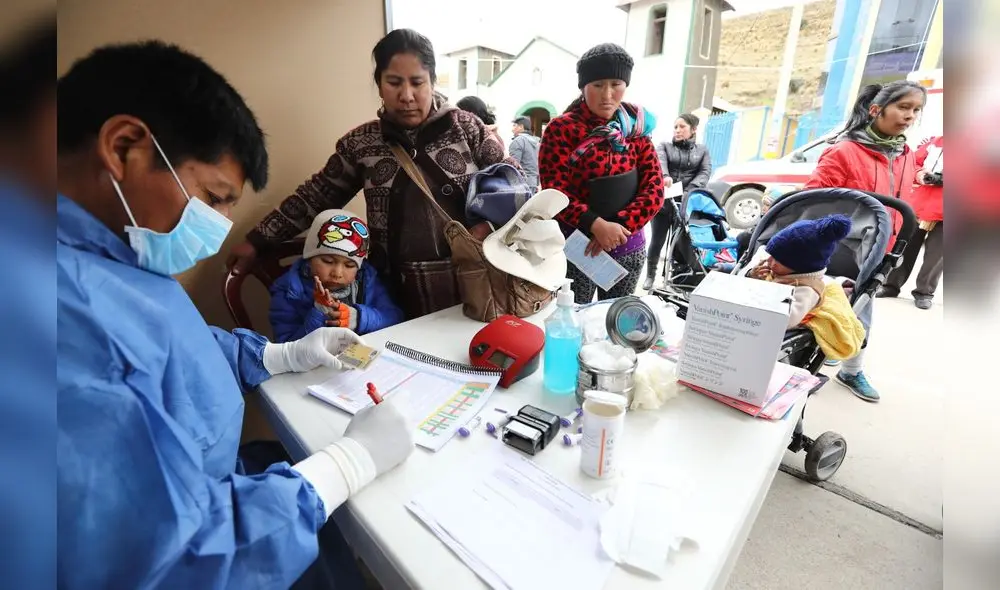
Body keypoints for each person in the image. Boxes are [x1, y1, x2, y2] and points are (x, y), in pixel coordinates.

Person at [56, 41, 415, 589]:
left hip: (234, 487)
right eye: (213, 196)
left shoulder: (114, 258)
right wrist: (345, 465)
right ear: (123, 146)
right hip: (222, 546)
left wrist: (277, 353)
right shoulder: (60, 316)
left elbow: (174, 345)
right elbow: (168, 562)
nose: (220, 223)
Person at [228, 29, 514, 319]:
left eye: (417, 83)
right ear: (379, 85)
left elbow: (511, 181)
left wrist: (487, 223)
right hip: (394, 295)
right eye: (393, 83)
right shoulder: (361, 144)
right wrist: (257, 240)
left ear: (432, 82)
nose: (406, 96)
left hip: (473, 285)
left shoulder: (467, 128)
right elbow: (314, 196)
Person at [803, 80, 926, 403]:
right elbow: (813, 199)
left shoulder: (904, 154)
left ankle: (850, 369)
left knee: (862, 308)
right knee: (824, 306)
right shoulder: (844, 151)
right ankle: (811, 364)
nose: (910, 116)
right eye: (903, 107)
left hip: (882, 247)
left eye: (916, 110)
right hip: (840, 248)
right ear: (876, 110)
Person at [538, 43, 665, 303]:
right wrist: (595, 225)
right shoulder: (561, 129)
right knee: (573, 316)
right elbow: (554, 190)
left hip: (627, 244)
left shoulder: (636, 128)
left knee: (615, 321)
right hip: (577, 248)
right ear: (583, 86)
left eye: (615, 83)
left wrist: (619, 228)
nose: (607, 94)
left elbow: (654, 187)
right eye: (597, 85)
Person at [269, 209, 404, 342]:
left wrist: (360, 318)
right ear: (309, 258)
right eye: (328, 261)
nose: (337, 273)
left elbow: (395, 318)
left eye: (349, 265)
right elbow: (285, 347)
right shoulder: (289, 291)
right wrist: (319, 312)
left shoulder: (367, 280)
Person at [643, 113, 712, 290]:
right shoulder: (664, 146)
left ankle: (676, 275)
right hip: (663, 202)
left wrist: (690, 191)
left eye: (682, 127)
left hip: (685, 204)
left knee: (681, 242)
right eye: (676, 127)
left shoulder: (702, 150)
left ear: (693, 129)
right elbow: (660, 163)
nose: (678, 130)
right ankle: (650, 275)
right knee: (657, 240)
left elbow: (704, 172)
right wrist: (665, 177)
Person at [877, 134, 944, 309]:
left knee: (937, 255)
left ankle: (924, 292)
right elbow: (913, 162)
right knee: (904, 247)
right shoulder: (934, 142)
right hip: (920, 204)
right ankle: (890, 285)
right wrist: (920, 174)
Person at [509, 115, 540, 188]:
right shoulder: (537, 143)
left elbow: (513, 166)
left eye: (514, 126)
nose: (512, 129)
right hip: (534, 183)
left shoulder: (518, 141)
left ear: (521, 127)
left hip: (521, 185)